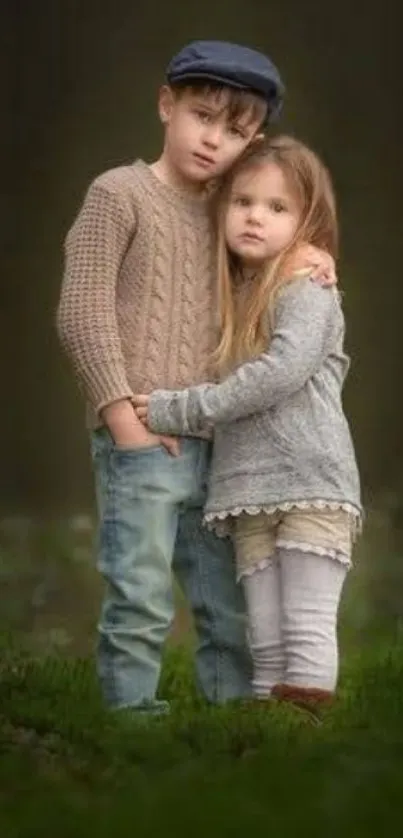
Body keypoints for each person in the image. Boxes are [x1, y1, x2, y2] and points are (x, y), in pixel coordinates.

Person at [57, 40, 336, 714]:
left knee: (227, 597)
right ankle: (130, 723)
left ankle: (231, 716)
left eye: (235, 131)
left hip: (221, 444)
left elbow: (265, 262)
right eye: (202, 116)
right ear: (165, 105)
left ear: (255, 142)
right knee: (141, 593)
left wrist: (307, 254)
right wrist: (123, 417)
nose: (213, 140)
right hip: (142, 435)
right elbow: (81, 312)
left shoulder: (228, 209)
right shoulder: (117, 193)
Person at [133, 134, 362, 715]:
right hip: (246, 491)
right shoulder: (232, 291)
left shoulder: (307, 287)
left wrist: (176, 407)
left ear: (307, 219)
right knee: (264, 635)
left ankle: (304, 740)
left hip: (311, 484)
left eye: (277, 207)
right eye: (244, 203)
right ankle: (265, 745)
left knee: (304, 624)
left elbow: (279, 374)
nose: (256, 217)